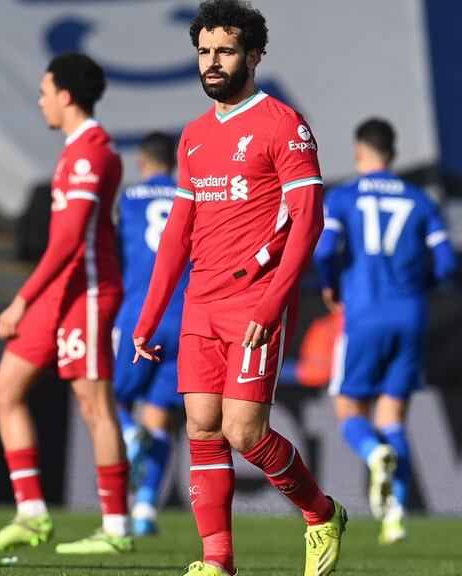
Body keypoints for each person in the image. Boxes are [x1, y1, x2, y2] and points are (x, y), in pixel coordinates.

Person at [131, 2, 345, 574]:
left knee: (244, 432)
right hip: (200, 301)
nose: (212, 63)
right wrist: (150, 317)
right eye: (204, 52)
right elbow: (179, 233)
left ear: (253, 55)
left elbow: (309, 220)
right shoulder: (194, 137)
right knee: (201, 426)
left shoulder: (284, 124)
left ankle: (321, 513)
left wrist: (275, 301)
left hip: (256, 298)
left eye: (224, 51)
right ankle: (217, 561)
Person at [0, 53, 133, 554]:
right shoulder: (75, 150)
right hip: (61, 293)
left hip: (85, 291)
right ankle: (31, 514)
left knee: (94, 405)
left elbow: (68, 241)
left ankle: (116, 528)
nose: (41, 100)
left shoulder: (92, 152)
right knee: (4, 391)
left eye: (45, 91)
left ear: (66, 95)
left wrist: (20, 301)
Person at [312, 118, 458, 544]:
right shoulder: (420, 201)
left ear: (360, 153)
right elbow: (448, 265)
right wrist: (417, 290)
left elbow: (324, 249)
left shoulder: (343, 197)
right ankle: (396, 516)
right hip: (410, 315)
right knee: (392, 416)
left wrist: (329, 285)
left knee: (349, 412)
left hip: (364, 315)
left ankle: (375, 455)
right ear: (391, 154)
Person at [112, 131, 187, 536]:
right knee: (160, 420)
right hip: (182, 319)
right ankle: (144, 511)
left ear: (142, 162)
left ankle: (127, 433)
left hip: (138, 316)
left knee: (111, 397)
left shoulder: (128, 198)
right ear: (173, 163)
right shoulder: (190, 196)